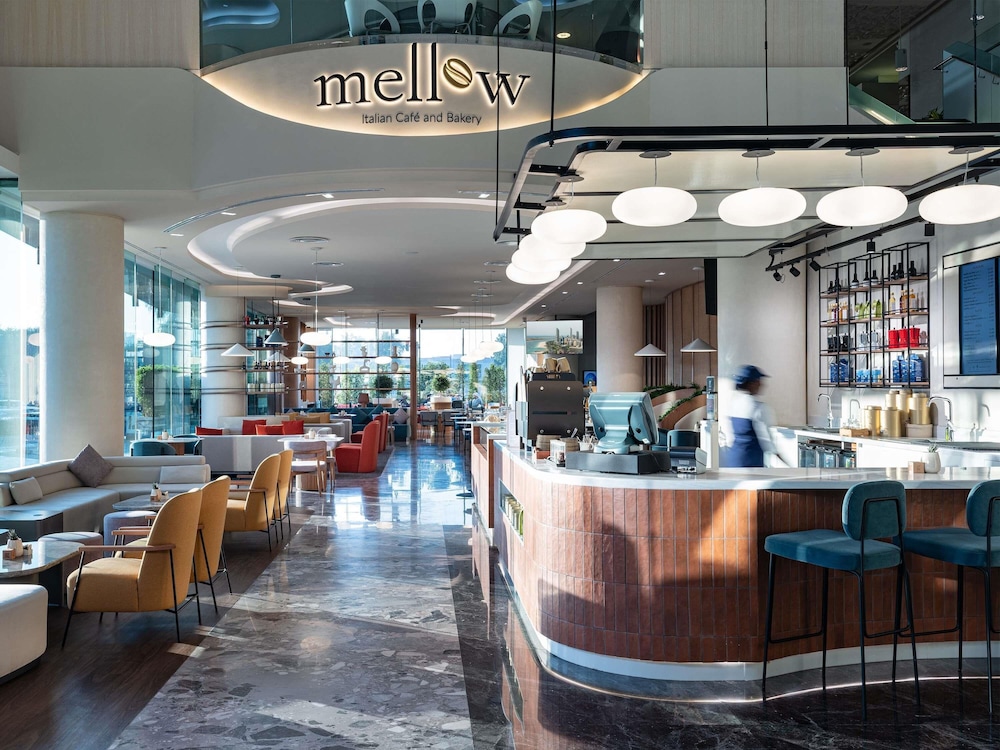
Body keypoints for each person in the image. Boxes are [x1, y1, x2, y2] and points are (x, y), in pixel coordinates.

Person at [725, 365, 782, 468]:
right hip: (751, 460)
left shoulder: (734, 403)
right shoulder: (759, 407)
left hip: (734, 457)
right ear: (751, 383)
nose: (762, 385)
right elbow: (765, 439)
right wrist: (777, 454)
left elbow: (729, 434)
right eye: (759, 381)